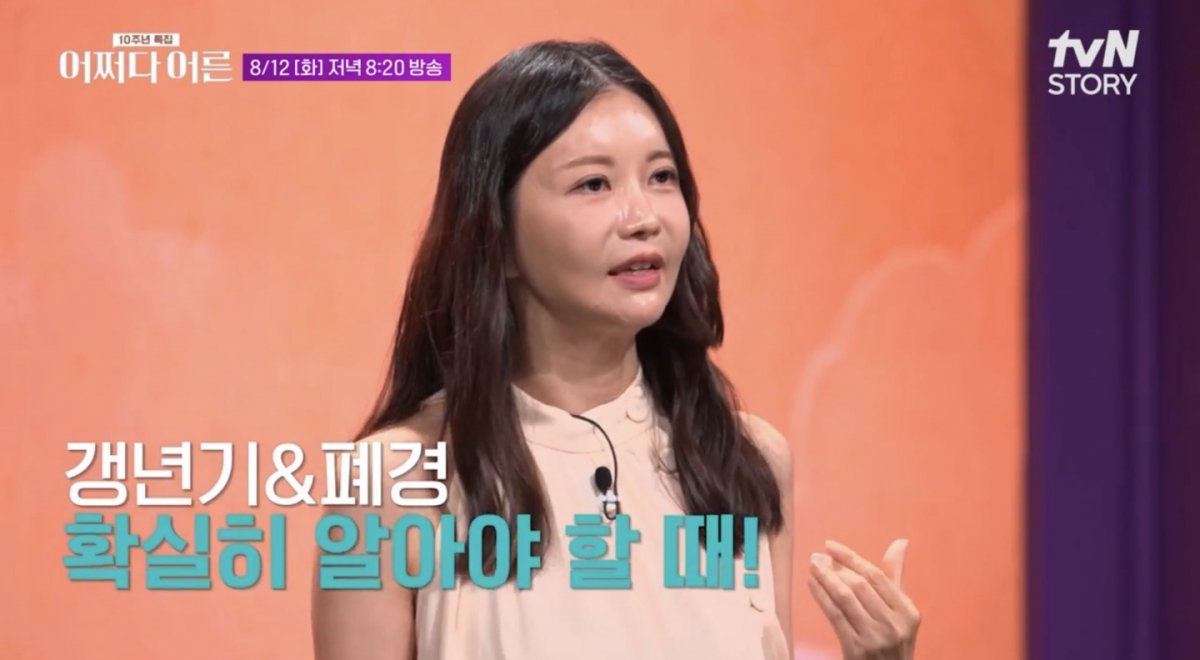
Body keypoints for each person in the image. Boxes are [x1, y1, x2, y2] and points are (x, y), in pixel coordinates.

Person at [312, 39, 921, 660]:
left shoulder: (745, 461)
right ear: (496, 236)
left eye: (661, 177)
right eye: (594, 184)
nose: (643, 216)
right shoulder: (394, 482)